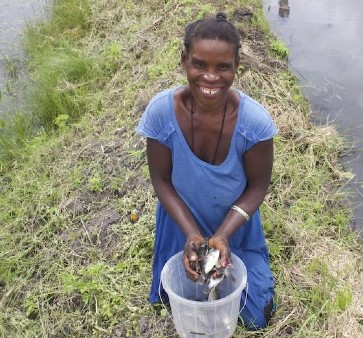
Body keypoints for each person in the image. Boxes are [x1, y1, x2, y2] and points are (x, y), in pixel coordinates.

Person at [136, 12, 277, 329]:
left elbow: (257, 187)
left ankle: (237, 253)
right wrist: (190, 234)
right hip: (181, 222)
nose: (210, 77)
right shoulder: (161, 113)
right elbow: (160, 180)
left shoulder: (254, 123)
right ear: (184, 59)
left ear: (237, 64)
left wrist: (224, 235)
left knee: (256, 316)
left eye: (222, 67)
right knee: (180, 297)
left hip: (235, 225)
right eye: (199, 64)